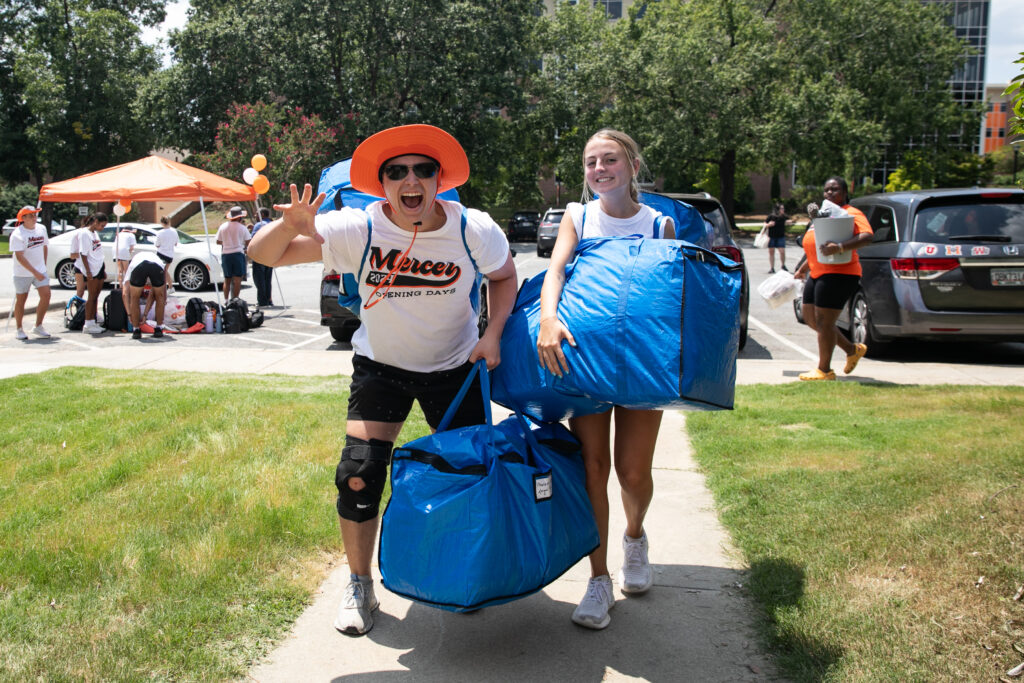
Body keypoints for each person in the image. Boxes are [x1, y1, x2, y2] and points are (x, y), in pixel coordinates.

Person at [247, 124, 518, 637]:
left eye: (422, 170)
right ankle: (359, 585)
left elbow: (504, 277)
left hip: (455, 370)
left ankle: (462, 572)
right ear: (382, 182)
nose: (410, 180)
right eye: (397, 172)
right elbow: (263, 255)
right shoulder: (358, 227)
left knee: (466, 478)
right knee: (358, 472)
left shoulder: (472, 229)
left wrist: (494, 333)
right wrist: (291, 227)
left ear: (440, 178)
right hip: (382, 370)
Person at [536, 129, 675, 631]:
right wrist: (549, 319)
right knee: (593, 468)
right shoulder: (578, 216)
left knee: (633, 473)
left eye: (610, 159)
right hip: (585, 360)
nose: (599, 169)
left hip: (639, 364)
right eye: (591, 162)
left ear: (633, 164)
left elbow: (666, 297)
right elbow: (555, 272)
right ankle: (598, 581)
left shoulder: (659, 223)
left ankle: (634, 538)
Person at [793, 176, 873, 380]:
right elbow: (816, 245)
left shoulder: (851, 213)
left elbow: (867, 236)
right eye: (827, 190)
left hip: (840, 272)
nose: (829, 193)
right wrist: (803, 267)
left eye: (835, 189)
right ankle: (851, 350)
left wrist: (839, 247)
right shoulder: (824, 215)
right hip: (817, 271)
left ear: (845, 192)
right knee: (811, 319)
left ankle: (824, 370)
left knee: (824, 322)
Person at [10, 205, 52, 339]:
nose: (35, 217)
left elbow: (45, 247)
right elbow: (20, 257)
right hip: (22, 272)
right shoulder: (17, 234)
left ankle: (38, 326)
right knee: (21, 300)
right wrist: (35, 272)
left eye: (35, 215)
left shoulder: (42, 228)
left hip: (40, 270)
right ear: (23, 218)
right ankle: (19, 329)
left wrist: (43, 266)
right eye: (31, 215)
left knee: (46, 295)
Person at [73, 212, 108, 334]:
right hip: (91, 269)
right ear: (95, 222)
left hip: (98, 267)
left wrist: (103, 269)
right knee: (91, 297)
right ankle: (87, 323)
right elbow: (83, 253)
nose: (102, 228)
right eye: (102, 225)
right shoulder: (84, 233)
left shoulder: (94, 233)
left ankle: (93, 321)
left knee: (96, 296)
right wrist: (87, 271)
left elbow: (97, 251)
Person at [124, 251, 168, 339]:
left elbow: (125, 294)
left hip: (139, 266)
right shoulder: (159, 262)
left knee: (134, 298)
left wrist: (130, 315)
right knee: (160, 297)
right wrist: (145, 315)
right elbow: (161, 295)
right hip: (156, 266)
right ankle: (159, 328)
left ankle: (136, 329)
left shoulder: (132, 264)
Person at [216, 206, 250, 303]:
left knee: (227, 279)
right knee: (237, 279)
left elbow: (218, 241)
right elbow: (249, 242)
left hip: (226, 254)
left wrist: (227, 243)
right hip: (238, 254)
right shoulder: (242, 228)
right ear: (240, 217)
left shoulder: (223, 227)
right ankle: (235, 300)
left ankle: (226, 300)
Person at [249, 208, 274, 306]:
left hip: (260, 254)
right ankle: (269, 299)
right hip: (271, 254)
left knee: (259, 279)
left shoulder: (259, 225)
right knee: (268, 279)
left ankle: (262, 301)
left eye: (256, 214)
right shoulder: (272, 224)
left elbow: (253, 239)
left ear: (262, 214)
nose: (255, 216)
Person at [762, 202, 793, 273]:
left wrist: (789, 221)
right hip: (771, 237)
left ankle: (783, 265)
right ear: (778, 209)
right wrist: (768, 224)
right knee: (771, 252)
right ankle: (772, 268)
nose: (783, 209)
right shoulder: (771, 216)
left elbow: (789, 221)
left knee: (782, 251)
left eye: (783, 208)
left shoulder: (784, 216)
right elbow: (764, 224)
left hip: (780, 237)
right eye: (782, 208)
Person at [154, 216, 179, 292]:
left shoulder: (160, 232)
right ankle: (169, 287)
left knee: (162, 271)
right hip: (170, 254)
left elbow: (157, 244)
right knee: (164, 271)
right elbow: (176, 243)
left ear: (162, 223)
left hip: (162, 253)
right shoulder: (174, 231)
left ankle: (169, 287)